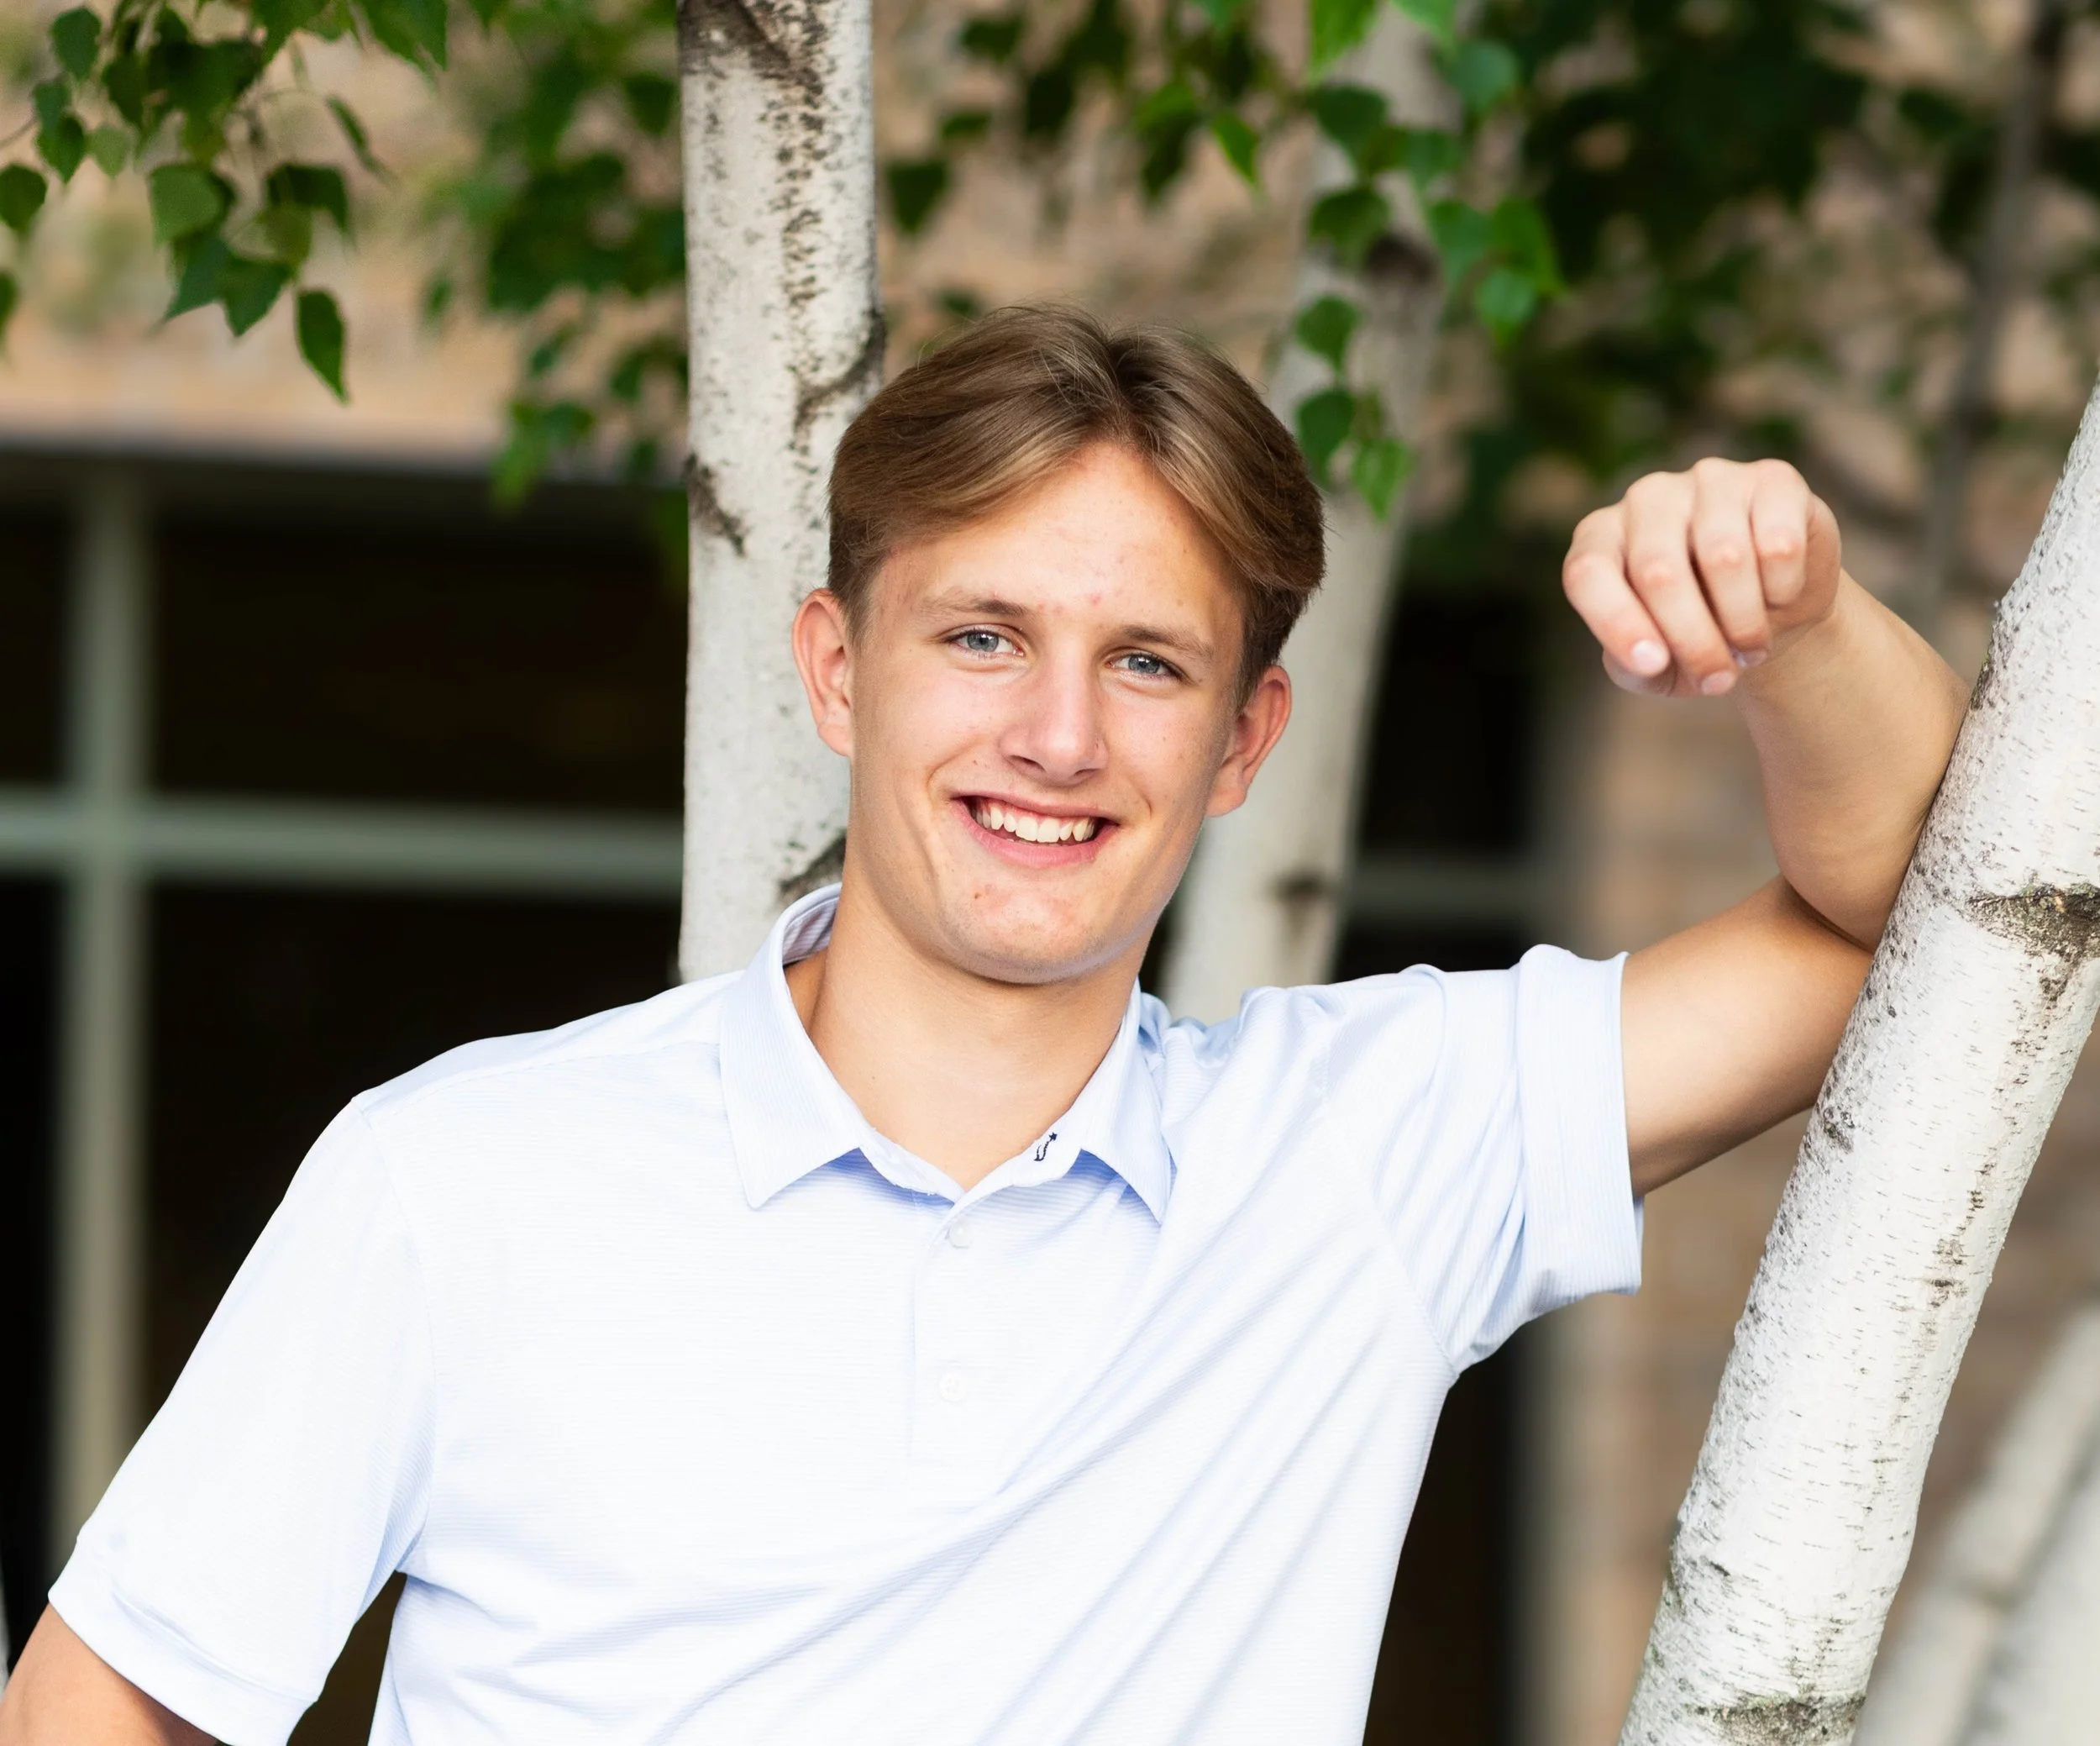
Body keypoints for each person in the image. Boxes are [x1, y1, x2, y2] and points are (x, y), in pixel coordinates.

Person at [0, 306, 1970, 1745]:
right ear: (837, 671)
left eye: (1144, 662)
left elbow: (1922, 922)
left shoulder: (1364, 1152)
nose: (1054, 735)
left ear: (1238, 744)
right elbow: (107, 1706)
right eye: (980, 636)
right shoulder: (461, 1173)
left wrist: (1794, 626)